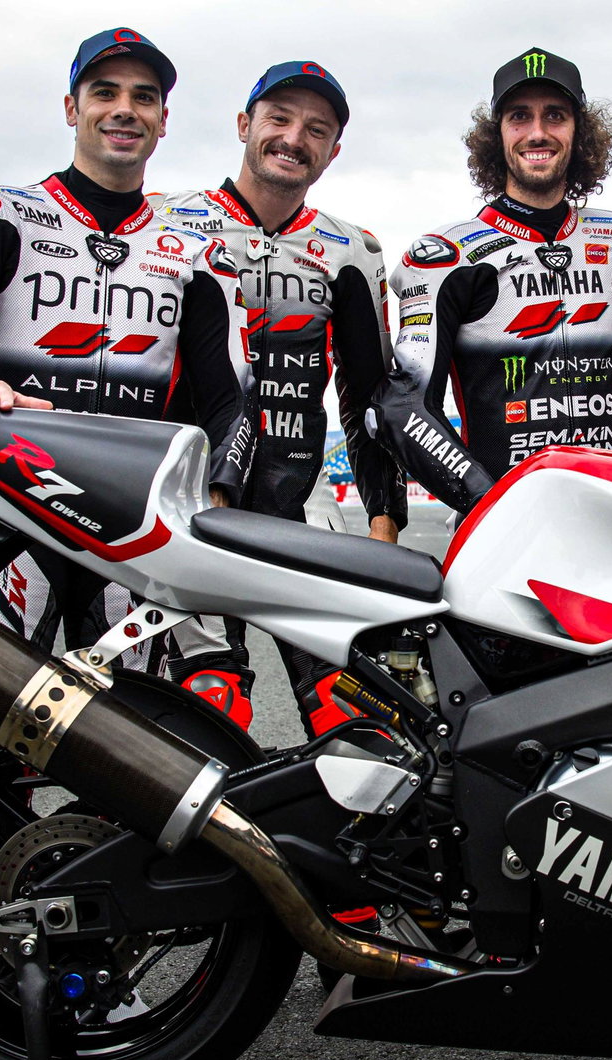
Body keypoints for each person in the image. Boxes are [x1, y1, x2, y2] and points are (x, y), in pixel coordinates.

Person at [0, 28, 255, 707]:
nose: (124, 110)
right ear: (72, 108)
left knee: (132, 728)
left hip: (135, 518)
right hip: (14, 502)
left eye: (144, 97)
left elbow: (233, 397)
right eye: (104, 93)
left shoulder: (200, 250)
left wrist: (219, 493)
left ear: (163, 120)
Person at [152, 60, 406, 735]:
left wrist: (385, 520)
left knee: (351, 704)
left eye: (316, 130)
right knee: (207, 701)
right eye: (280, 119)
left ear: (333, 150)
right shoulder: (166, 223)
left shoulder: (352, 250)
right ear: (245, 124)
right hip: (187, 497)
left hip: (300, 494)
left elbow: (367, 393)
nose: (294, 138)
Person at [369, 48, 612, 513]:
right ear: (496, 135)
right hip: (501, 526)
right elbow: (402, 408)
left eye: (555, 115)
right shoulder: (447, 258)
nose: (537, 132)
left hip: (609, 514)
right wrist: (487, 500)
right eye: (519, 116)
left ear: (579, 132)